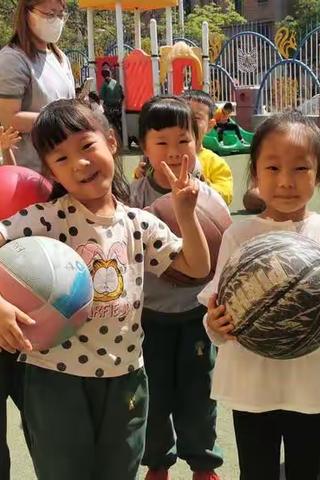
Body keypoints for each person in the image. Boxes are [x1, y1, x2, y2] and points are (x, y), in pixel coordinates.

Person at [0, 98, 210, 480]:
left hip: (126, 375)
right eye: (60, 159)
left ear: (111, 142)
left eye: (86, 146)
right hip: (55, 378)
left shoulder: (138, 223)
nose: (79, 163)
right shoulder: (45, 220)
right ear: (50, 172)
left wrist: (186, 215)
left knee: (120, 471)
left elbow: (196, 266)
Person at [199, 111, 320, 480]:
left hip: (311, 377)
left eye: (300, 169)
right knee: (257, 471)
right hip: (253, 378)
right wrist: (215, 324)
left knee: (307, 471)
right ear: (256, 173)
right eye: (273, 168)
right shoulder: (240, 235)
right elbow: (217, 305)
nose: (286, 181)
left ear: (319, 174)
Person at [130, 97, 224, 480]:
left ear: (198, 144)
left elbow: (223, 252)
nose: (173, 151)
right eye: (162, 142)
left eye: (183, 141)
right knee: (152, 398)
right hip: (147, 317)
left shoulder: (208, 198)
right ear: (143, 146)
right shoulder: (133, 197)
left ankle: (204, 464)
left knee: (199, 395)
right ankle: (158, 464)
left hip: (195, 315)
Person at [0, 0, 75, 173]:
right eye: (50, 14)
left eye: (61, 14)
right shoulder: (12, 59)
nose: (56, 20)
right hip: (31, 172)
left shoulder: (60, 57)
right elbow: (9, 120)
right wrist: (63, 120)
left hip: (66, 170)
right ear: (27, 13)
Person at [182, 90, 234, 205]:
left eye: (195, 118)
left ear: (210, 125)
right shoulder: (167, 155)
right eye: (182, 116)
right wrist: (140, 174)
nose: (187, 122)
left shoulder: (215, 162)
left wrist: (206, 187)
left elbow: (227, 195)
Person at [99, 64, 124, 138]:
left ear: (103, 76)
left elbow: (101, 97)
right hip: (118, 108)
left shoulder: (105, 84)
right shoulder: (116, 82)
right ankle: (121, 137)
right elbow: (122, 95)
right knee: (118, 124)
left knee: (109, 125)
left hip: (109, 108)